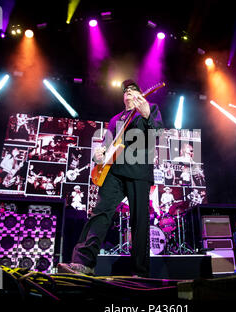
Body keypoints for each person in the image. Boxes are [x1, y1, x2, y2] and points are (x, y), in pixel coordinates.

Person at [58, 79, 163, 276]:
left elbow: (158, 132)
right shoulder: (116, 119)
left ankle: (140, 272)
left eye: (132, 90)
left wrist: (147, 114)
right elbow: (106, 144)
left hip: (139, 171)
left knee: (139, 221)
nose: (128, 94)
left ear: (140, 94)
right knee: (99, 213)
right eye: (125, 91)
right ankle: (84, 263)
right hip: (114, 171)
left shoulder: (150, 109)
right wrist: (99, 155)